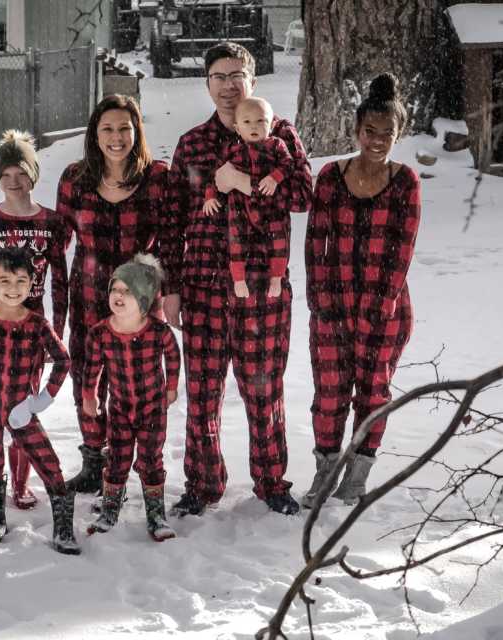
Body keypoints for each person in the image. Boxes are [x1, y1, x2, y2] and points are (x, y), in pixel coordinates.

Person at [161, 42, 312, 516]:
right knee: (203, 390)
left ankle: (272, 483)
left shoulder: (280, 134)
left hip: (263, 284)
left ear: (253, 80)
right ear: (206, 84)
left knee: (263, 387)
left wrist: (239, 182)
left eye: (237, 75)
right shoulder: (192, 144)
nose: (229, 85)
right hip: (204, 283)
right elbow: (173, 219)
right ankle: (203, 484)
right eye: (219, 76)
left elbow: (304, 195)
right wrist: (170, 287)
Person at [302, 73, 420, 509]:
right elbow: (316, 242)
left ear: (398, 134)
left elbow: (402, 248)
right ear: (356, 131)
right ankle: (325, 472)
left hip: (384, 307)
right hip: (334, 304)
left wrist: (382, 302)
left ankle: (357, 475)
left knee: (373, 392)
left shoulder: (406, 181)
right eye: (370, 131)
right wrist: (320, 298)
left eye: (387, 133)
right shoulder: (331, 177)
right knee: (330, 391)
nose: (377, 140)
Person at [56, 94, 171, 494]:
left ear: (137, 131)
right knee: (87, 376)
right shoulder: (75, 178)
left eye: (125, 127)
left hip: (139, 298)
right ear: (94, 134)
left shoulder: (157, 177)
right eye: (107, 128)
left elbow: (171, 240)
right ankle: (94, 460)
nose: (117, 136)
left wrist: (168, 292)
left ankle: (140, 465)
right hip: (88, 292)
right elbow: (58, 243)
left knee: (137, 383)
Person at [0, 129, 69, 512]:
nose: (13, 182)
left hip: (31, 331)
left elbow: (61, 282)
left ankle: (21, 485)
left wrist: (59, 329)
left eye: (20, 172)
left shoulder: (52, 223)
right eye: (4, 174)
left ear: (33, 174)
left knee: (23, 407)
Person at [0, 247, 79, 555]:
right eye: (4, 281)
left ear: (32, 284)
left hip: (22, 408)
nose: (13, 289)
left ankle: (63, 528)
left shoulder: (37, 324)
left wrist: (40, 401)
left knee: (49, 463)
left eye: (21, 281)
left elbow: (63, 361)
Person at [82, 254, 180, 541]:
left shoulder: (158, 332)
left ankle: (156, 515)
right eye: (115, 289)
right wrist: (90, 395)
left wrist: (171, 386)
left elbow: (173, 357)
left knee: (151, 459)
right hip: (121, 408)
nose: (118, 296)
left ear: (145, 299)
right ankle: (109, 511)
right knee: (117, 458)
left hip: (153, 408)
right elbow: (92, 367)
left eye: (127, 291)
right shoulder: (101, 333)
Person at [203, 96, 293, 299]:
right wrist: (210, 196)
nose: (254, 126)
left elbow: (288, 164)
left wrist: (274, 177)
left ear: (271, 125)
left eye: (261, 121)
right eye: (247, 122)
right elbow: (214, 175)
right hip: (240, 208)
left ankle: (276, 278)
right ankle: (239, 279)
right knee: (236, 242)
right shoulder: (231, 149)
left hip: (271, 208)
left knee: (279, 241)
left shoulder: (276, 145)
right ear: (237, 128)